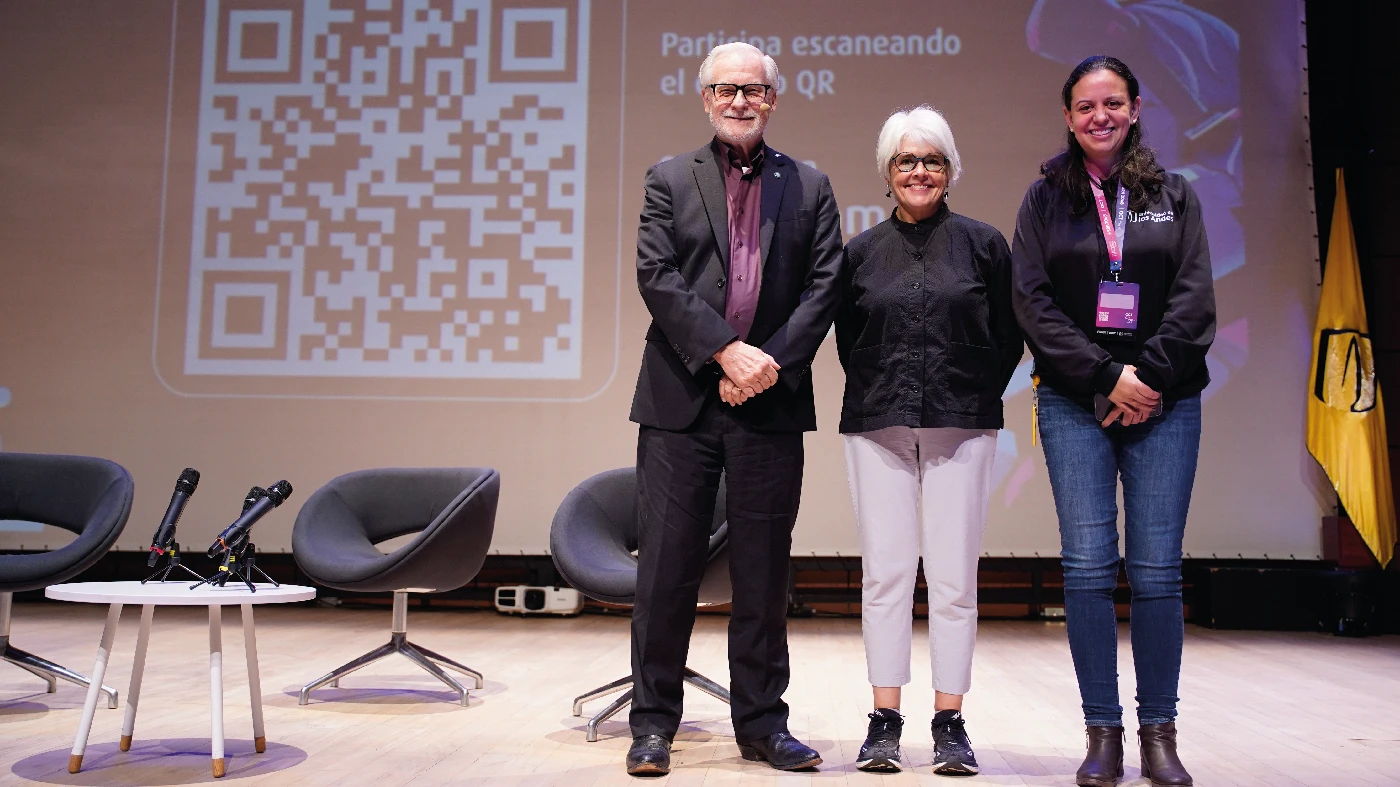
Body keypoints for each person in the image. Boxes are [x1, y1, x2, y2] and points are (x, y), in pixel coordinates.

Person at [624, 41, 844, 776]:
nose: (740, 100)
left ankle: (761, 723)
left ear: (774, 98)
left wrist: (764, 364)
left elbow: (825, 289)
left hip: (770, 403)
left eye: (753, 89)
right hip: (681, 399)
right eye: (726, 89)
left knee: (762, 573)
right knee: (665, 571)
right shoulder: (667, 177)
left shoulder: (809, 185)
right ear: (705, 97)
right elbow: (656, 275)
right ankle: (652, 723)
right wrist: (726, 352)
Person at [1011, 55, 1216, 787]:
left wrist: (1146, 378)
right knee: (1089, 567)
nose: (1100, 116)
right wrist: (1106, 377)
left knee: (1157, 570)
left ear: (1134, 109)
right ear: (1067, 117)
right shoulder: (1044, 202)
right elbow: (1031, 303)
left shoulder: (1174, 195)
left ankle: (1160, 732)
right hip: (1074, 401)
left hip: (1166, 401)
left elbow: (1195, 300)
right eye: (1085, 106)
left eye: (1113, 103)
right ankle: (1103, 733)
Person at [835, 106, 1022, 776]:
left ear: (950, 171)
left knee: (952, 579)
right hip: (876, 424)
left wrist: (964, 392)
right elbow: (847, 345)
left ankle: (950, 721)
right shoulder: (858, 252)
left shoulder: (985, 245)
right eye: (907, 161)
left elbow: (1008, 336)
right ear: (887, 173)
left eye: (932, 160)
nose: (920, 171)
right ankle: (884, 721)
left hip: (962, 424)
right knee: (884, 574)